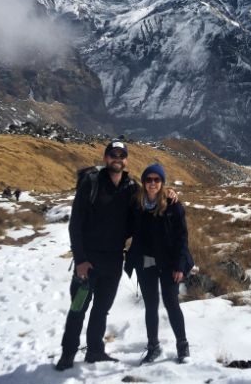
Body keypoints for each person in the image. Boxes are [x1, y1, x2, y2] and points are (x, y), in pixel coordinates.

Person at [54, 141, 177, 371]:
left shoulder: (130, 187)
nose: (117, 158)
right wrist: (80, 260)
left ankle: (95, 351)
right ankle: (67, 355)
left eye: (122, 155)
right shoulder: (91, 183)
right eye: (113, 154)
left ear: (126, 160)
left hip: (113, 262)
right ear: (105, 157)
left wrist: (168, 192)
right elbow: (75, 225)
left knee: (101, 309)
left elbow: (148, 201)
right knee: (78, 308)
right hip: (87, 263)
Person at [125, 163, 193, 364]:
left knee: (172, 304)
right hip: (145, 263)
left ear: (162, 182)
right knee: (151, 306)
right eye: (148, 179)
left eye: (157, 179)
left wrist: (180, 266)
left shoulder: (173, 205)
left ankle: (183, 346)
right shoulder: (136, 205)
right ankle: (153, 346)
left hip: (169, 263)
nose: (152, 183)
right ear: (143, 182)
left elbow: (182, 237)